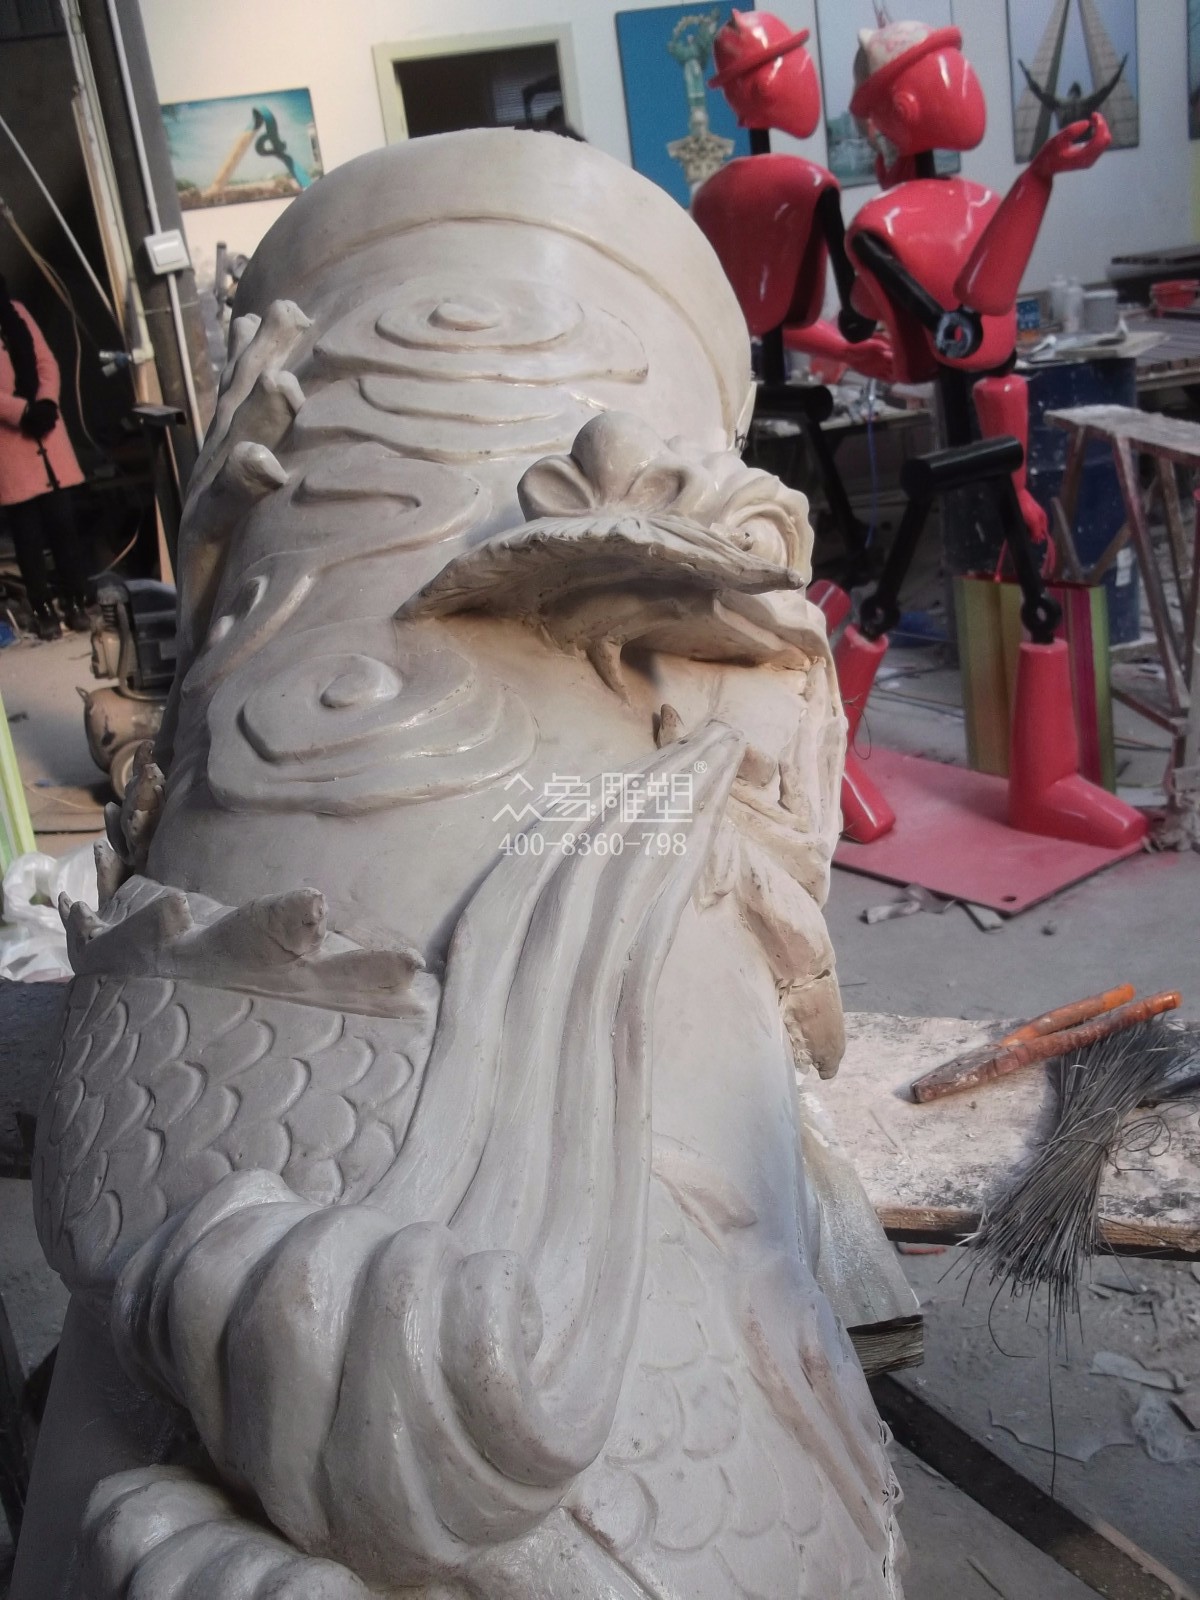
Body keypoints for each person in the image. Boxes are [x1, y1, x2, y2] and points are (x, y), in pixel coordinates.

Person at [0, 275, 92, 637]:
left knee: (63, 526)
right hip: (12, 445)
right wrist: (21, 412)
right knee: (28, 537)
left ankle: (75, 601)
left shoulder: (17, 312)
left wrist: (47, 402)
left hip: (46, 435)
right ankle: (43, 610)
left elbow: (46, 363)